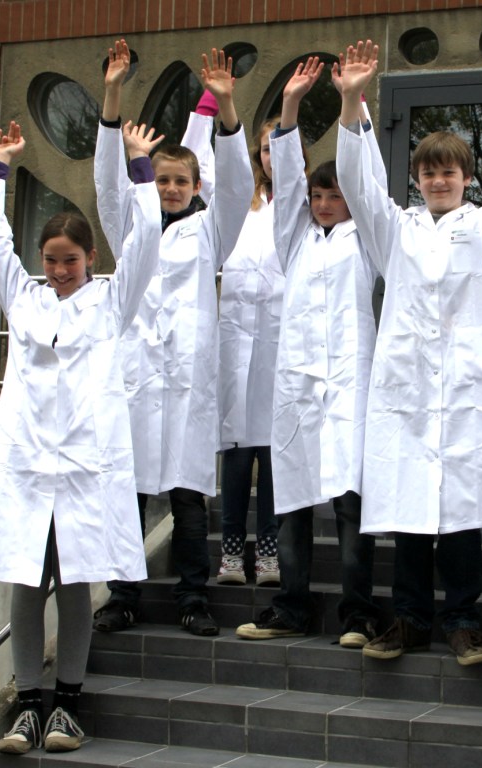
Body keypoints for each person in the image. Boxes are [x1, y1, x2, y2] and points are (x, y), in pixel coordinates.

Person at [0, 120, 161, 754]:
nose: (59, 271)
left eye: (70, 261)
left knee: (75, 582)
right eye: (51, 260)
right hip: (28, 464)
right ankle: (28, 705)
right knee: (26, 584)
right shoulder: (23, 300)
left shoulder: (111, 302)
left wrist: (139, 169)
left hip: (84, 467)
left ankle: (67, 708)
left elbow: (146, 240)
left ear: (91, 260)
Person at [336, 40, 482, 666]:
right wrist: (352, 103)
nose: (439, 181)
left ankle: (463, 620)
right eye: (428, 173)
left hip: (468, 392)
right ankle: (412, 618)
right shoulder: (396, 229)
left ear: (466, 178)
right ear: (416, 180)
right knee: (411, 511)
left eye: (449, 172)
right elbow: (360, 185)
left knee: (462, 513)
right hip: (411, 393)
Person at [92, 41, 254, 635]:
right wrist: (113, 96)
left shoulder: (211, 231)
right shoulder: (129, 227)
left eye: (182, 180)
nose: (170, 188)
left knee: (188, 500)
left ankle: (193, 597)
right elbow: (107, 184)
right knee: (128, 497)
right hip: (135, 383)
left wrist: (226, 109)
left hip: (187, 387)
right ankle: (122, 595)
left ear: (195, 184)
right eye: (162, 178)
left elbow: (237, 187)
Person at [235, 56, 382, 646]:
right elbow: (288, 182)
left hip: (348, 382)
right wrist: (290, 106)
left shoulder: (366, 239)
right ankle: (291, 606)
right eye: (317, 195)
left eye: (334, 194)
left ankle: (358, 613)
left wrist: (352, 101)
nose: (323, 203)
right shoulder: (293, 239)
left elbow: (367, 180)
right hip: (297, 385)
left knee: (349, 502)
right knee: (291, 500)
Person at [210, 110, 287, 587]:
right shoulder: (242, 204)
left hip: (280, 345)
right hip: (237, 342)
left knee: (275, 455)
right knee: (237, 455)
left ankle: (271, 553)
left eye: (281, 147)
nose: (272, 156)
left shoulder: (302, 203)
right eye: (265, 149)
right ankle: (233, 552)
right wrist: (212, 109)